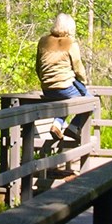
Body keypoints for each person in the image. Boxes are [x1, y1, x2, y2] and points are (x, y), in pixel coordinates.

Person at [35, 13, 92, 141]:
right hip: (64, 86)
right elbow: (78, 68)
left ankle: (57, 125)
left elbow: (38, 66)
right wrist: (84, 82)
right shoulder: (70, 43)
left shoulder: (43, 41)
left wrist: (46, 81)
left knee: (67, 100)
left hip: (47, 88)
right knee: (90, 101)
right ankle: (73, 128)